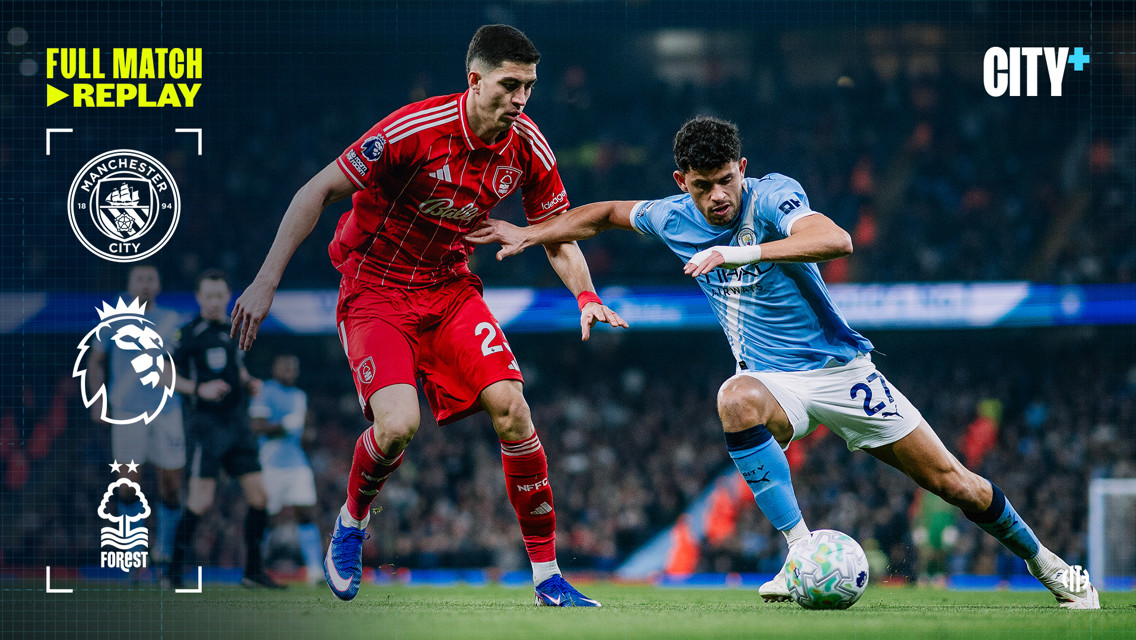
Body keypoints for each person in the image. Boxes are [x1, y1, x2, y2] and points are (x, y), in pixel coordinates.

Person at [465, 116, 1100, 609]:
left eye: (726, 180)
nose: (718, 196)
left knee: (956, 485)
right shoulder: (672, 218)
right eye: (702, 184)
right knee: (733, 398)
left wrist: (738, 256)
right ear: (681, 181)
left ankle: (1051, 565)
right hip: (773, 382)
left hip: (843, 372)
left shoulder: (772, 196)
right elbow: (603, 215)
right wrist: (530, 234)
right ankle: (799, 552)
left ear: (743, 168)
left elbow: (836, 239)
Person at [229, 24, 625, 606]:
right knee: (396, 426)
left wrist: (586, 296)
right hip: (376, 290)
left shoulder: (528, 146)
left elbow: (557, 234)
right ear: (475, 80)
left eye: (529, 87)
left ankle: (548, 578)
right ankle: (352, 522)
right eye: (510, 84)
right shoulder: (414, 129)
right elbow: (314, 191)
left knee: (513, 407)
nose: (521, 98)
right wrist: (266, 282)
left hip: (450, 289)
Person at [169, 269, 283, 590]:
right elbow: (166, 376)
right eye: (209, 296)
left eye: (220, 296)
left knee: (260, 497)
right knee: (200, 502)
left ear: (228, 296)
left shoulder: (233, 329)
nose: (215, 301)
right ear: (198, 297)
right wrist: (198, 389)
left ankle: (253, 572)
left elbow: (238, 367)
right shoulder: (187, 334)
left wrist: (249, 382)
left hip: (237, 424)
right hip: (204, 426)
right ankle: (173, 574)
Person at [85, 264, 185, 570]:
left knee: (171, 484)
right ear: (129, 285)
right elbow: (96, 361)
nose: (145, 284)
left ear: (158, 285)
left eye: (150, 279)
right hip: (127, 412)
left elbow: (179, 363)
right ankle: (134, 555)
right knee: (128, 485)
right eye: (139, 279)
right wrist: (97, 399)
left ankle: (165, 551)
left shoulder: (172, 319)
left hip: (167, 410)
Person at [248, 354, 324, 585]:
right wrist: (284, 425)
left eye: (293, 368)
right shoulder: (265, 391)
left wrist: (308, 434)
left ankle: (315, 571)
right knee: (267, 517)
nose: (289, 371)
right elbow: (256, 427)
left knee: (306, 513)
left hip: (297, 462)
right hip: (270, 463)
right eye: (284, 367)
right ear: (275, 368)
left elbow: (303, 432)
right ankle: (255, 568)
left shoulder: (300, 396)